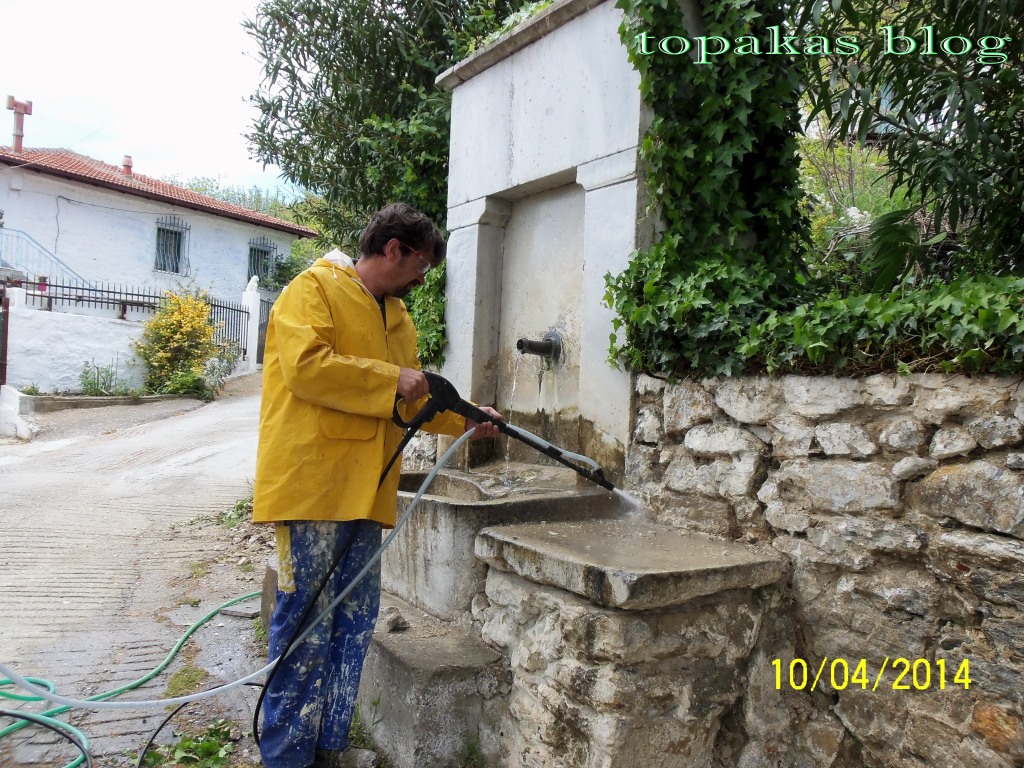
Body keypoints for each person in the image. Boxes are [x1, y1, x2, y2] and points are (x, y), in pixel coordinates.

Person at [252, 203, 502, 768]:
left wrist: (466, 419)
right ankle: (286, 756)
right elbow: (307, 368)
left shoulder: (399, 318)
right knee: (305, 624)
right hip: (312, 489)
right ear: (393, 248)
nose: (423, 278)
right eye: (421, 265)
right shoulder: (312, 290)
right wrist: (392, 377)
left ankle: (330, 748)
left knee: (355, 622)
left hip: (369, 491)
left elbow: (411, 403)